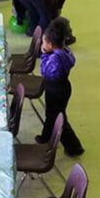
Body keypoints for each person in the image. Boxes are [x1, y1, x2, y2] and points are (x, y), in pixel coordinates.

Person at [37, 17, 84, 156]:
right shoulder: (64, 51)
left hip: (55, 90)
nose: (42, 43)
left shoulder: (54, 60)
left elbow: (44, 71)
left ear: (50, 44)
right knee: (52, 115)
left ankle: (74, 147)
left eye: (44, 41)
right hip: (62, 87)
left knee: (58, 118)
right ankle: (45, 136)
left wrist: (44, 54)